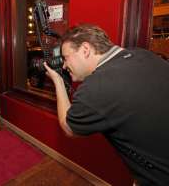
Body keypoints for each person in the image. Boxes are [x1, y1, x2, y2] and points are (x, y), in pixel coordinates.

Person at [44, 24, 169, 186]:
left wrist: (58, 82)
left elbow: (69, 127)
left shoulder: (96, 87)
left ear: (85, 49)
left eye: (66, 58)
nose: (64, 66)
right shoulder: (143, 54)